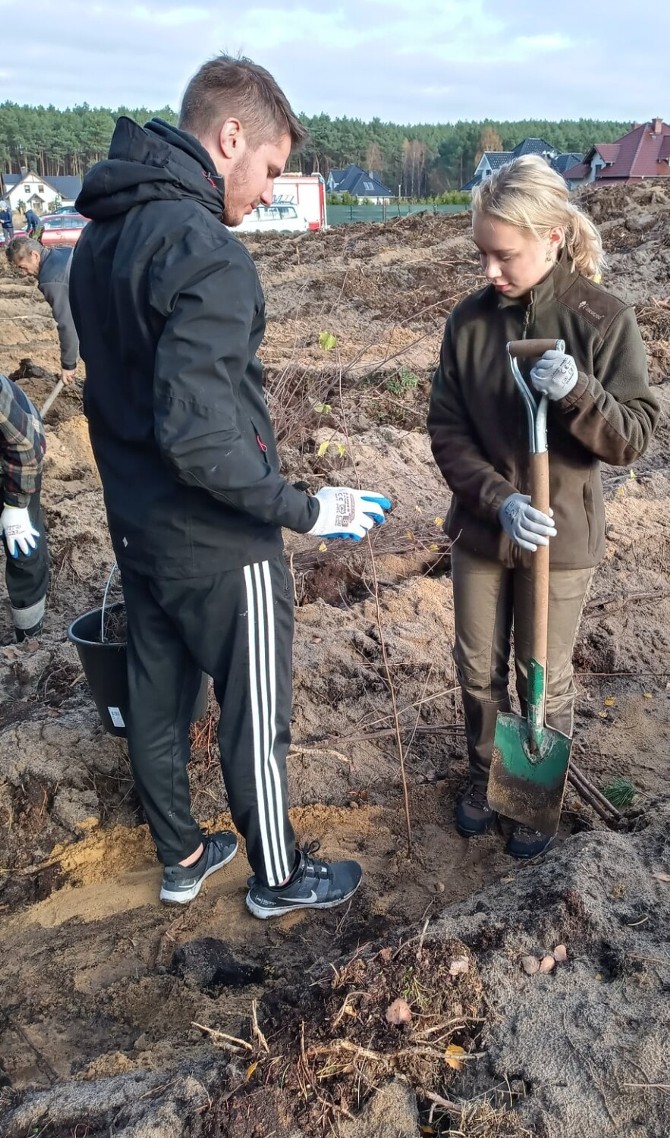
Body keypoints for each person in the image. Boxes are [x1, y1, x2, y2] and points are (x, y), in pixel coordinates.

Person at [69, 54, 392, 918]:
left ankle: (181, 856)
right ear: (230, 136)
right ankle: (278, 880)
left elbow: (125, 394)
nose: (270, 193)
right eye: (272, 171)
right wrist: (304, 508)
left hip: (140, 531)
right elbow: (199, 435)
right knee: (255, 720)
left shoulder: (103, 235)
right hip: (220, 545)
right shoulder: (207, 251)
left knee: (156, 701)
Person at [427, 156, 659, 859]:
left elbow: (634, 435)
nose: (492, 270)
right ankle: (483, 774)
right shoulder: (469, 324)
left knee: (542, 672)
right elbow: (447, 429)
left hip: (564, 534)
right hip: (484, 528)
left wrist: (579, 391)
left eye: (506, 254)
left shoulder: (601, 319)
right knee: (476, 665)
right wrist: (497, 501)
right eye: (483, 254)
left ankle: (531, 793)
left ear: (553, 236)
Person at [1, 373, 50, 643]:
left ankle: (29, 635)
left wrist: (14, 506)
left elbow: (25, 446)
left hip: (19, 447)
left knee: (21, 542)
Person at [6, 237, 79, 387]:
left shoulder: (51, 280)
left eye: (23, 267)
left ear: (35, 256)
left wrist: (68, 365)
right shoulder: (61, 252)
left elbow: (67, 323)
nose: (25, 274)